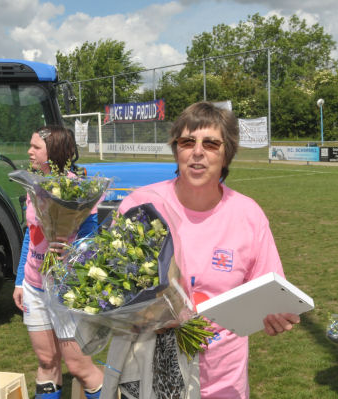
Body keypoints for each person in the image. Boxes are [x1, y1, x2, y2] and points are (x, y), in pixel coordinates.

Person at [118, 102, 300, 398]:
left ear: (226, 153)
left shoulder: (248, 214)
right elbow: (112, 290)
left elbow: (270, 288)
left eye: (211, 144)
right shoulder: (141, 205)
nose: (197, 152)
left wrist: (273, 314)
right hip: (148, 373)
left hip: (222, 379)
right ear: (177, 150)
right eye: (187, 142)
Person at [13, 125, 104, 399]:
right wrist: (20, 281)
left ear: (54, 152)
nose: (29, 151)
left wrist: (70, 249)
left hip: (66, 290)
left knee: (78, 367)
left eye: (36, 147)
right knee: (46, 362)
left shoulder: (80, 190)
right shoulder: (33, 186)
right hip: (34, 286)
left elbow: (91, 241)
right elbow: (30, 238)